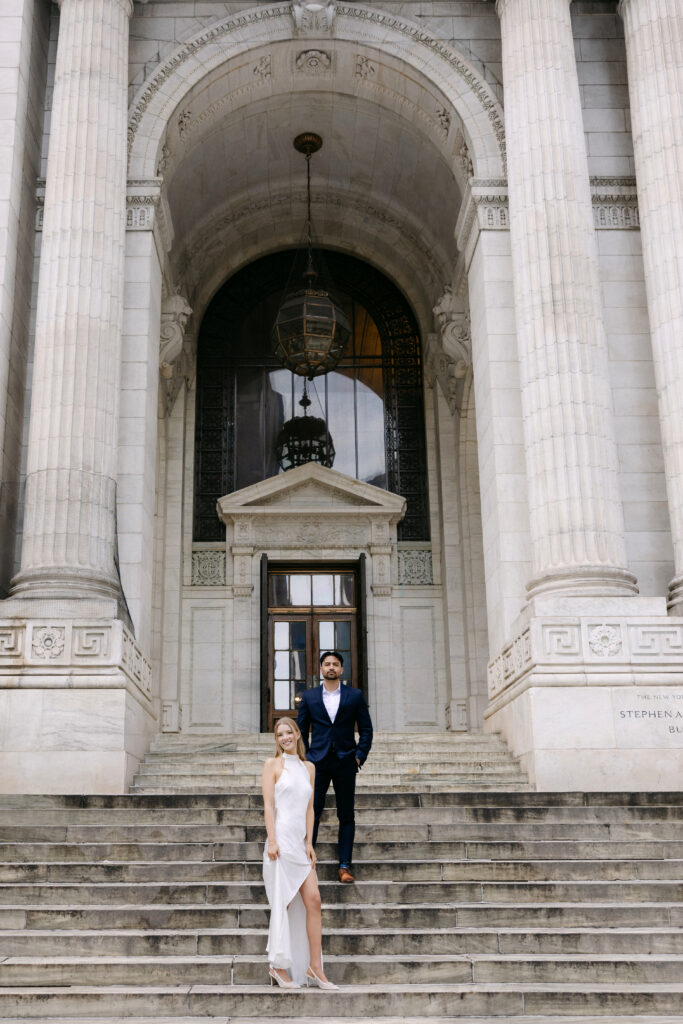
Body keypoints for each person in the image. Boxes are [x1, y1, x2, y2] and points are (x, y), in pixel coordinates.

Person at [261, 717, 338, 990]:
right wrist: (272, 840)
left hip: (299, 844)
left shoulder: (309, 768)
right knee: (282, 904)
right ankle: (278, 966)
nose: (285, 737)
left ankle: (315, 968)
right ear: (277, 739)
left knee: (314, 901)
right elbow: (269, 807)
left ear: (297, 734)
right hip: (280, 843)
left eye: (289, 732)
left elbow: (309, 809)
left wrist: (309, 843)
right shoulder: (272, 766)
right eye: (280, 734)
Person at [297, 650, 373, 883]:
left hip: (345, 761)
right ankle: (307, 864)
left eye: (336, 664)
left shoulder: (355, 695)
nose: (331, 667)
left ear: (341, 670)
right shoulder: (309, 697)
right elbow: (300, 730)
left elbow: (367, 729)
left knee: (346, 815)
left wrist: (359, 755)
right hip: (317, 763)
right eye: (327, 664)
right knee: (313, 813)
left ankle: (345, 866)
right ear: (321, 669)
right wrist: (305, 758)